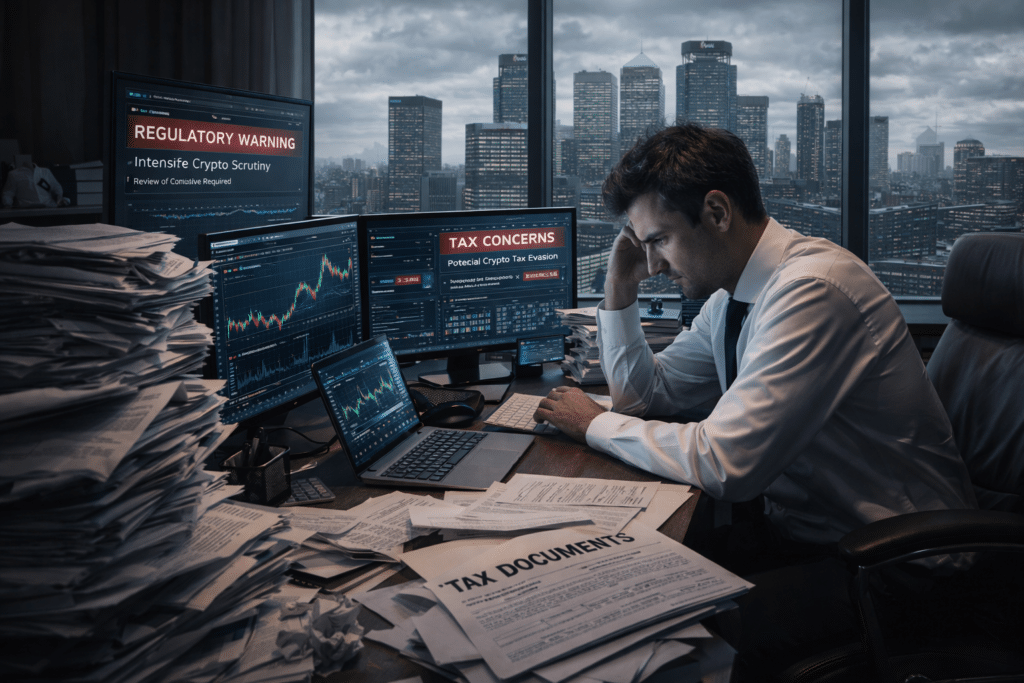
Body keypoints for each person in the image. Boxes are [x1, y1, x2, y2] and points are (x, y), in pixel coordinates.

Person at [533, 124, 977, 676]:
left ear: (717, 212)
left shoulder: (814, 290)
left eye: (660, 242)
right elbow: (646, 398)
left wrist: (591, 426)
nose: (656, 266)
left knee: (673, 640)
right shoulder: (737, 297)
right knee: (621, 583)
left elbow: (728, 463)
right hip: (813, 539)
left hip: (900, 567)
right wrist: (619, 289)